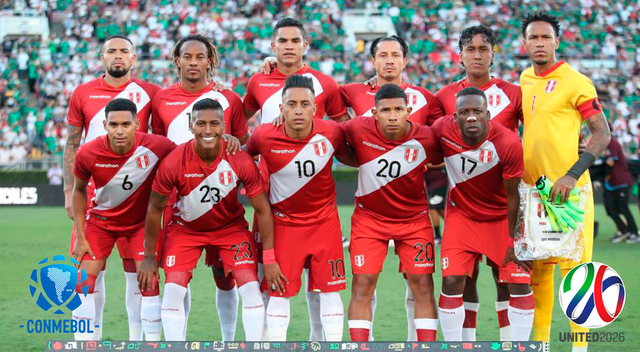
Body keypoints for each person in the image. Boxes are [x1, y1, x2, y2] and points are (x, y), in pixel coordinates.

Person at [244, 17, 348, 341]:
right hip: (275, 207)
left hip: (322, 213)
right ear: (273, 46)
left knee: (325, 290)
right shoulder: (258, 82)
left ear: (305, 45)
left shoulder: (326, 86)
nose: (289, 46)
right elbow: (238, 124)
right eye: (282, 41)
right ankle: (262, 342)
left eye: (295, 40)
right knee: (269, 280)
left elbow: (347, 133)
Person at [138, 99, 271, 341]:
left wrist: (269, 258)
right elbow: (154, 209)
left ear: (223, 127)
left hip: (230, 229)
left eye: (214, 124)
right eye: (201, 123)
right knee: (173, 291)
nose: (207, 130)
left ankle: (240, 343)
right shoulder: (174, 161)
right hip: (186, 230)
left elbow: (263, 210)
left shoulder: (239, 159)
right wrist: (149, 257)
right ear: (191, 126)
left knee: (250, 287)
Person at [340, 34, 441, 342]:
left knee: (422, 284)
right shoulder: (354, 104)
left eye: (394, 55)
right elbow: (327, 122)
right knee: (363, 282)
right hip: (369, 218)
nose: (388, 60)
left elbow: (444, 148)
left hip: (414, 217)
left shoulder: (425, 112)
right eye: (382, 55)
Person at [520, 11, 611, 352]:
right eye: (534, 37)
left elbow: (601, 134)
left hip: (570, 193)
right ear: (525, 43)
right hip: (535, 194)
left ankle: (579, 348)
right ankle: (540, 346)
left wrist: (572, 175)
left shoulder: (576, 81)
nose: (540, 43)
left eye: (546, 37)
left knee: (577, 279)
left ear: (557, 42)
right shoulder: (525, 77)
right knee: (539, 275)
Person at [62, 35, 162, 341]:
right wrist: (69, 190)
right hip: (94, 199)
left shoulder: (152, 94)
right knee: (89, 273)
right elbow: (72, 143)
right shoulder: (83, 93)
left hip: (138, 200)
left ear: (134, 59)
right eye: (111, 51)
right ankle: (88, 341)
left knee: (138, 275)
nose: (117, 56)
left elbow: (170, 131)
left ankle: (137, 341)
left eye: (124, 51)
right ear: (101, 58)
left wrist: (219, 86)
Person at [151, 34, 248, 341]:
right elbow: (157, 144)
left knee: (225, 276)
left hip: (218, 197)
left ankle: (229, 340)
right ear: (176, 61)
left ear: (211, 61)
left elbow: (240, 141)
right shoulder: (161, 99)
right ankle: (177, 342)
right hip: (173, 198)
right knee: (177, 276)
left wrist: (233, 141)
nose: (194, 62)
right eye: (187, 57)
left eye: (200, 57)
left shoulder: (229, 99)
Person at [433, 25, 524, 341]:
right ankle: (464, 343)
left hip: (503, 206)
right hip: (463, 205)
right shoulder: (444, 96)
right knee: (461, 278)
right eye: (470, 49)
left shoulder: (514, 93)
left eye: (483, 49)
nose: (476, 55)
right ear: (460, 56)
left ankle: (512, 341)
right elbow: (418, 133)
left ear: (492, 54)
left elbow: (536, 132)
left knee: (505, 278)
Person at [71, 98, 175, 341]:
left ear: (137, 123)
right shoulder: (88, 152)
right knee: (82, 284)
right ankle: (85, 344)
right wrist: (80, 235)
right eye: (114, 125)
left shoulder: (157, 145)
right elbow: (78, 190)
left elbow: (188, 153)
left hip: (140, 225)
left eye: (126, 124)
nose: (120, 131)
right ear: (105, 124)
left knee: (149, 283)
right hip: (100, 223)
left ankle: (150, 344)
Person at [602, 134, 639, 243]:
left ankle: (634, 233)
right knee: (610, 208)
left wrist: (600, 159)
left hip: (621, 181)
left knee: (623, 208)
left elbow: (611, 162)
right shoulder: (605, 144)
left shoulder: (612, 141)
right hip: (611, 183)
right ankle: (623, 230)